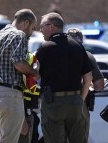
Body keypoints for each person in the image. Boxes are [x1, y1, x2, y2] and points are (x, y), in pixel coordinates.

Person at [36, 12, 93, 143]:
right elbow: (88, 76)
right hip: (75, 102)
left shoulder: (45, 47)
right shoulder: (78, 46)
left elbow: (35, 74)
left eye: (42, 26)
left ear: (51, 26)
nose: (41, 30)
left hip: (53, 103)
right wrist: (81, 98)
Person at [0, 9, 38, 143]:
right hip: (10, 94)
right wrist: (34, 72)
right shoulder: (19, 35)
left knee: (3, 139)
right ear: (25, 23)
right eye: (32, 28)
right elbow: (18, 63)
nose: (31, 32)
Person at [66, 27, 105, 140]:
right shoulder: (87, 56)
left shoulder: (55, 53)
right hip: (79, 101)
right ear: (81, 42)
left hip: (55, 101)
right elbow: (99, 85)